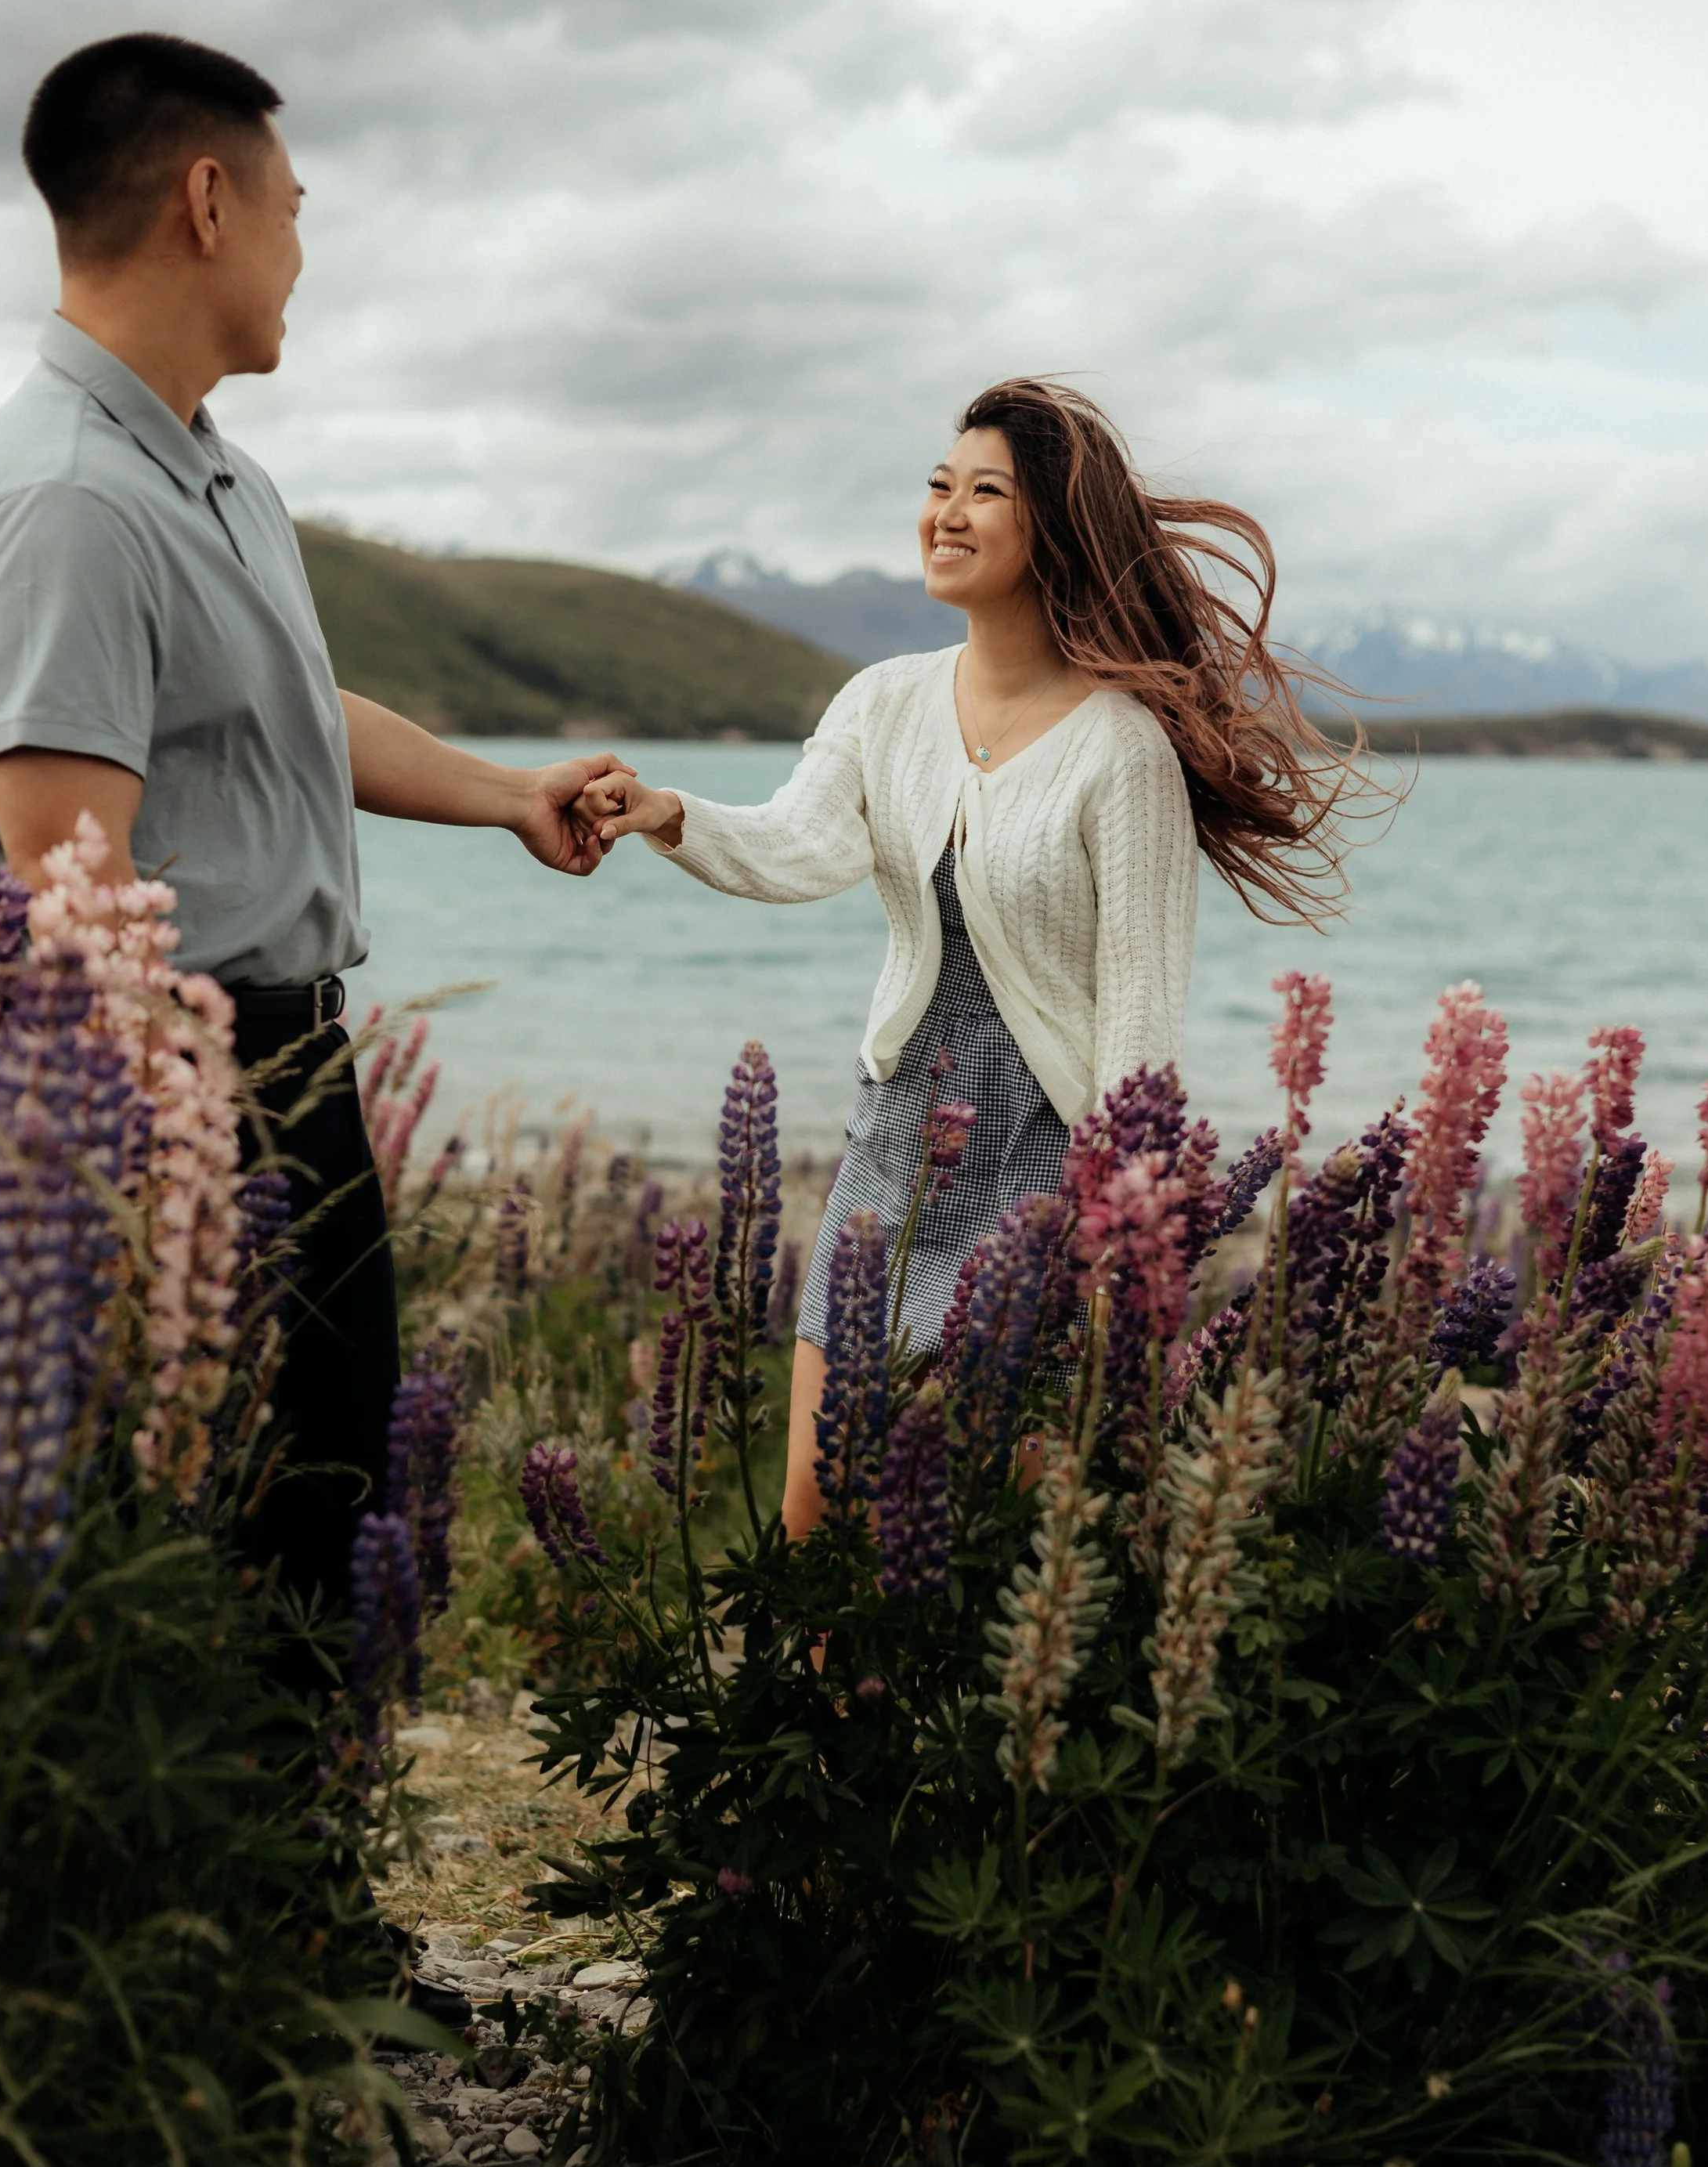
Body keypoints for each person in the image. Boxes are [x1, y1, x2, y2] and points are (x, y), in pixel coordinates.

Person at [0, 32, 617, 1634]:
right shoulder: (67, 502)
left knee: (327, 1510)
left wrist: (509, 796)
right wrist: (178, 1178)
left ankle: (309, 1807)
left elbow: (291, 711)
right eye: (295, 212)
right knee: (241, 1556)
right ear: (209, 202)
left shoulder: (209, 474)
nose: (302, 254)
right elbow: (75, 901)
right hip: (185, 1103)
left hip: (292, 1073)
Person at [582, 375, 1358, 1536]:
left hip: (1047, 1158)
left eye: (984, 492)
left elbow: (1140, 1012)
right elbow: (800, 844)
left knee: (993, 1514)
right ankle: (813, 1662)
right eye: (939, 484)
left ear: (1054, 527)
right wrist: (666, 813)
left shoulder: (1123, 751)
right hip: (898, 1134)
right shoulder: (883, 703)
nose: (945, 512)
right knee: (817, 1502)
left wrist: (1121, 1222)